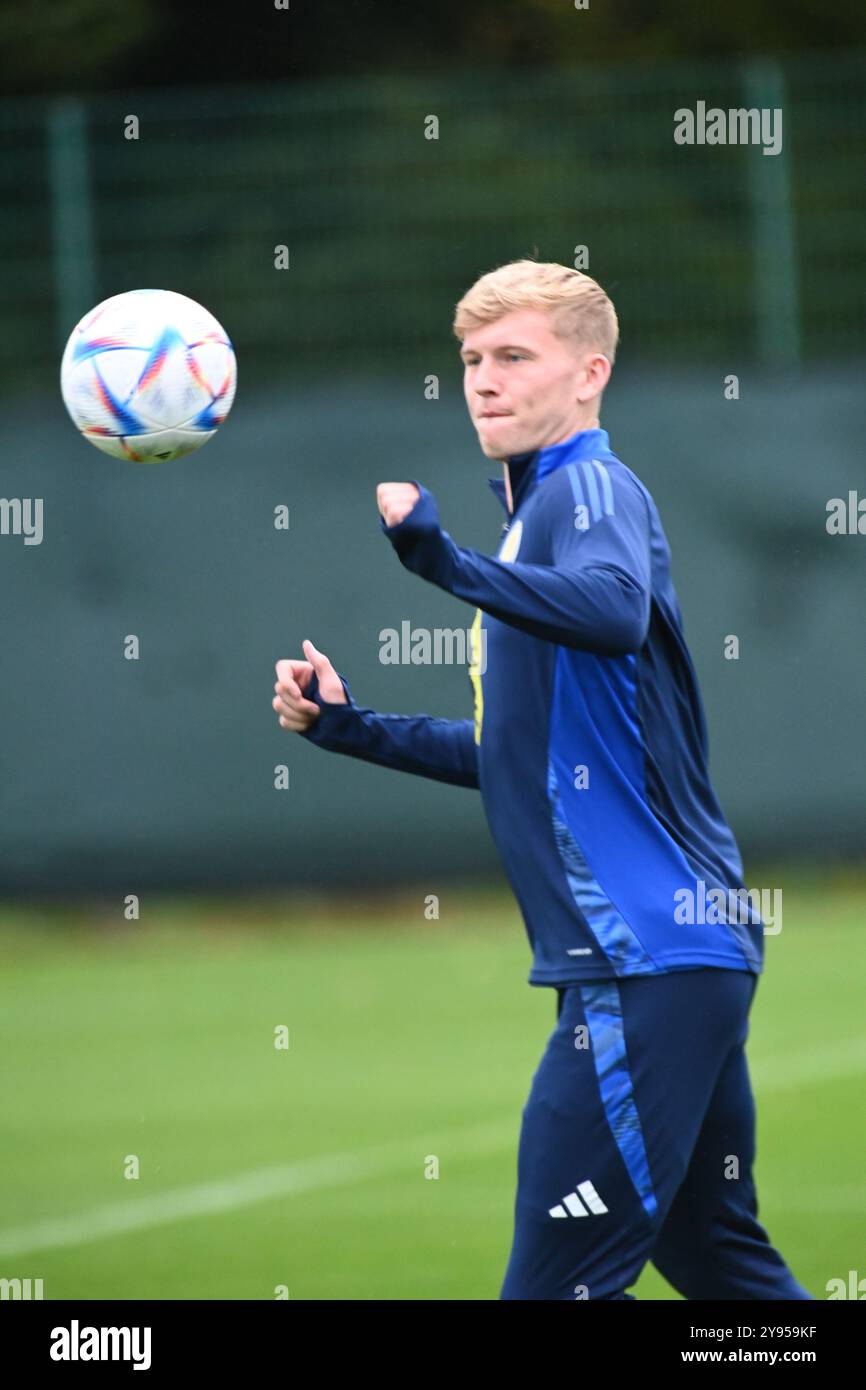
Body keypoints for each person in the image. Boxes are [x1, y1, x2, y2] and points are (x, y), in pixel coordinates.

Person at [272, 259, 811, 1301]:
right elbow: (517, 760)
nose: (483, 378)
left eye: (514, 356)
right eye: (471, 359)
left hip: (639, 959)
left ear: (587, 374)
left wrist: (443, 564)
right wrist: (350, 727)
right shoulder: (535, 520)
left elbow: (611, 608)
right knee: (722, 1270)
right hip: (673, 954)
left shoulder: (587, 489)